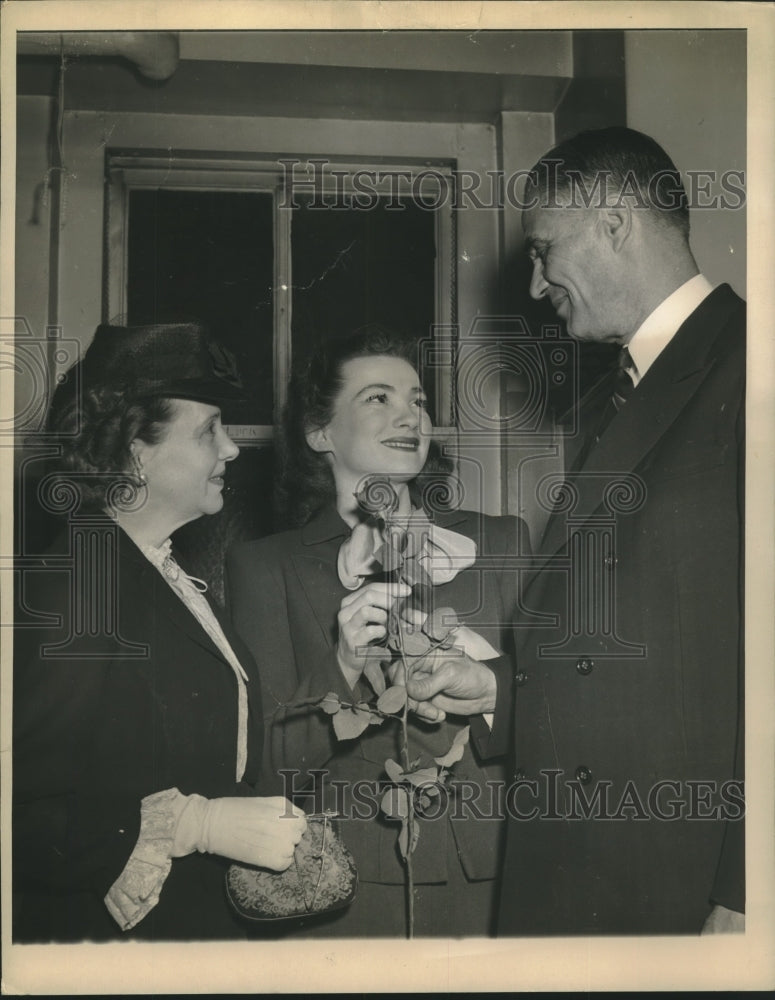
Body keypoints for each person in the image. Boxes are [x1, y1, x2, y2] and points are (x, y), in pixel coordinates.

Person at [406, 126, 745, 935]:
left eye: (542, 249)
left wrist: (747, 893)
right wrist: (493, 693)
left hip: (681, 886)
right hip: (582, 870)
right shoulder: (620, 397)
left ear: (615, 222)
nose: (533, 284)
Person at [226, 327, 529, 937]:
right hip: (349, 888)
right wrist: (339, 664)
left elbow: (551, 710)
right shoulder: (265, 566)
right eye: (378, 398)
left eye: (417, 400)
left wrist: (490, 689)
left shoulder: (499, 541)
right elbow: (268, 768)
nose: (409, 415)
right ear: (319, 433)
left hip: (494, 872)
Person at [12, 323, 306, 942]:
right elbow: (23, 811)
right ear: (137, 453)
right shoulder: (80, 580)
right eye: (208, 432)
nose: (230, 449)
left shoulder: (161, 572)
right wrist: (193, 826)